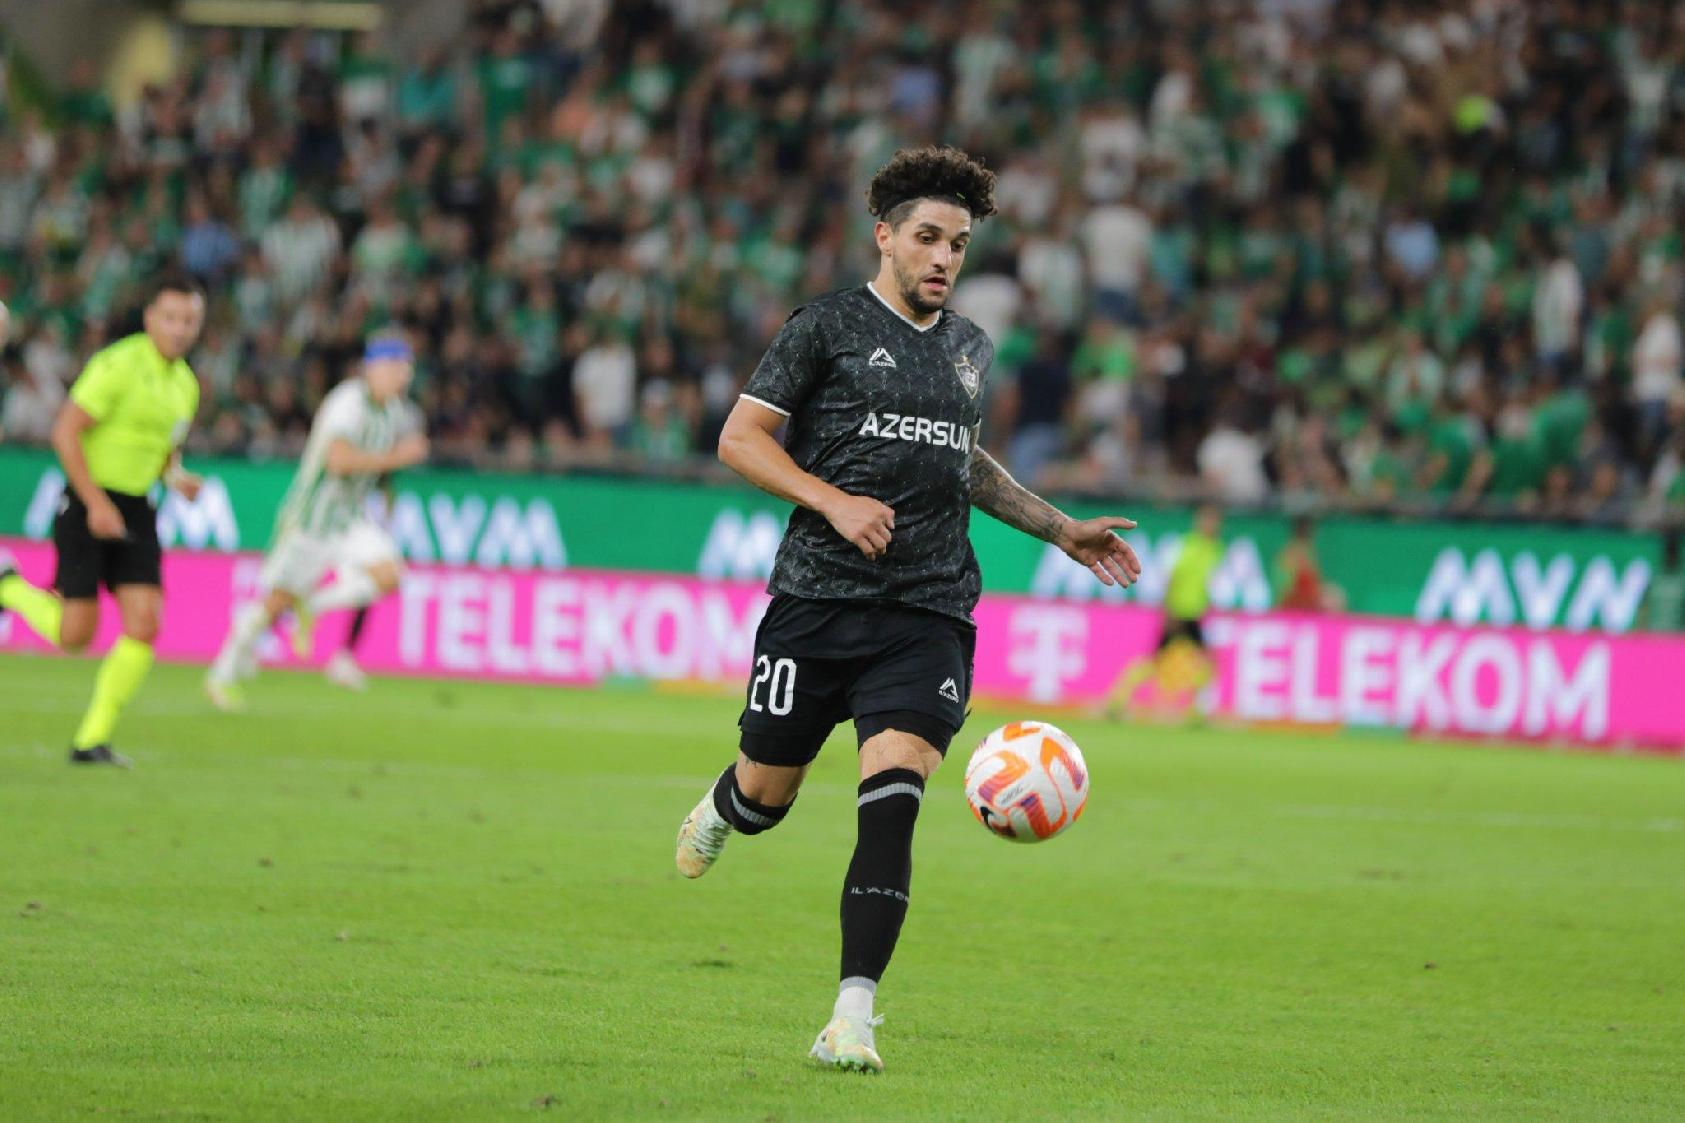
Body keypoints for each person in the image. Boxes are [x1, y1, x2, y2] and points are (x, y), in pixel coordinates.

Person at [671, 146, 1142, 1074]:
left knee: (891, 801)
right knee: (766, 796)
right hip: (816, 601)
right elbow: (739, 438)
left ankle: (851, 1015)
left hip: (928, 610)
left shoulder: (969, 347)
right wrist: (831, 501)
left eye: (957, 244)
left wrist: (1058, 528)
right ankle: (725, 806)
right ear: (883, 236)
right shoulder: (824, 327)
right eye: (927, 238)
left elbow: (961, 461)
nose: (943, 258)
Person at [0, 273, 207, 766]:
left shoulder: (186, 386)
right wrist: (94, 503)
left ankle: (92, 739)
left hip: (136, 508)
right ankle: (8, 587)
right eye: (171, 318)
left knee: (145, 623)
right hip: (85, 501)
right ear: (150, 318)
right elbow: (65, 432)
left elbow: (164, 451)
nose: (180, 329)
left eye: (189, 320)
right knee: (76, 637)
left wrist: (176, 478)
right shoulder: (117, 365)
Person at [204, 333, 427, 708]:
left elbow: (377, 469)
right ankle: (221, 675)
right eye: (394, 368)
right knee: (275, 603)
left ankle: (311, 607)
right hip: (310, 520)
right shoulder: (347, 403)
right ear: (372, 368)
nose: (401, 377)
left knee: (390, 575)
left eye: (406, 370)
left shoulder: (392, 412)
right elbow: (338, 461)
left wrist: (388, 484)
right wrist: (397, 457)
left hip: (349, 518)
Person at [1107, 504, 1223, 718]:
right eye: (1208, 520)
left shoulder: (1214, 549)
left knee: (1205, 660)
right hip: (1178, 613)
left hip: (1194, 614)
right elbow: (1171, 578)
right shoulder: (1189, 546)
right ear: (1199, 522)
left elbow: (1205, 584)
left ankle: (1198, 711)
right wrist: (1168, 610)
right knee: (1159, 660)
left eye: (1214, 521)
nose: (1211, 525)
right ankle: (1117, 701)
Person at [1273, 515, 1344, 613]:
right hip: (1293, 603)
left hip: (1304, 598)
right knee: (1333, 597)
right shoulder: (1293, 553)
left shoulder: (1306, 550)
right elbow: (1293, 588)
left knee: (1334, 594)